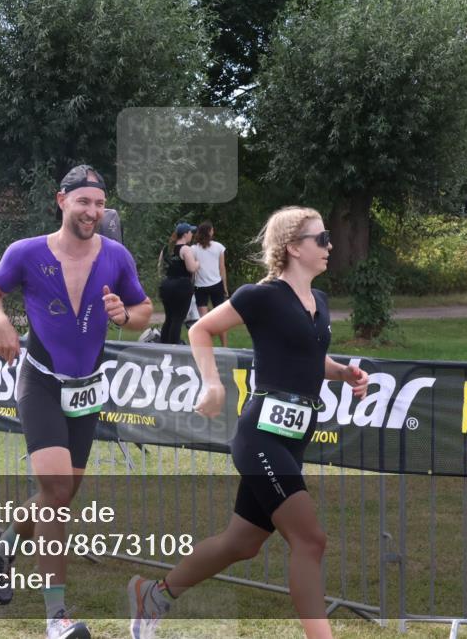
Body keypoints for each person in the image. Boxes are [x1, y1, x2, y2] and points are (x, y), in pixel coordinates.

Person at [128, 206, 370, 639]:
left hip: (293, 439)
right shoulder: (261, 296)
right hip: (261, 436)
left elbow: (311, 358)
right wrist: (212, 384)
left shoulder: (320, 302)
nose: (330, 245)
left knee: (243, 542)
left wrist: (345, 372)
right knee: (310, 540)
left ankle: (155, 595)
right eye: (322, 238)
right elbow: (200, 331)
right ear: (294, 247)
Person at [0, 164, 153, 639]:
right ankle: (57, 616)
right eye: (83, 202)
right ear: (62, 201)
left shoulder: (116, 256)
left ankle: (4, 539)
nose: (92, 211)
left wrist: (127, 315)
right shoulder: (28, 252)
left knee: (62, 494)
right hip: (42, 382)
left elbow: (143, 309)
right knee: (55, 495)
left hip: (87, 387)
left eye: (99, 204)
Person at [158, 222, 198, 345]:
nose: (192, 234)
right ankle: (173, 346)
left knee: (169, 318)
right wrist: (198, 263)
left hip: (166, 285)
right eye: (191, 232)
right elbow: (191, 268)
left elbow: (160, 266)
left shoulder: (167, 248)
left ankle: (163, 343)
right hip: (181, 286)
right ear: (185, 234)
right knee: (178, 319)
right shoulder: (186, 249)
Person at [190, 221, 229, 346]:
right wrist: (225, 287)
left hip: (200, 287)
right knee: (221, 319)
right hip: (216, 285)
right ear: (209, 232)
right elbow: (222, 268)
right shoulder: (218, 247)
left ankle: (207, 347)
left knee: (204, 320)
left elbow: (192, 270)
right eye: (212, 230)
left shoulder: (193, 249)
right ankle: (225, 346)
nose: (213, 231)